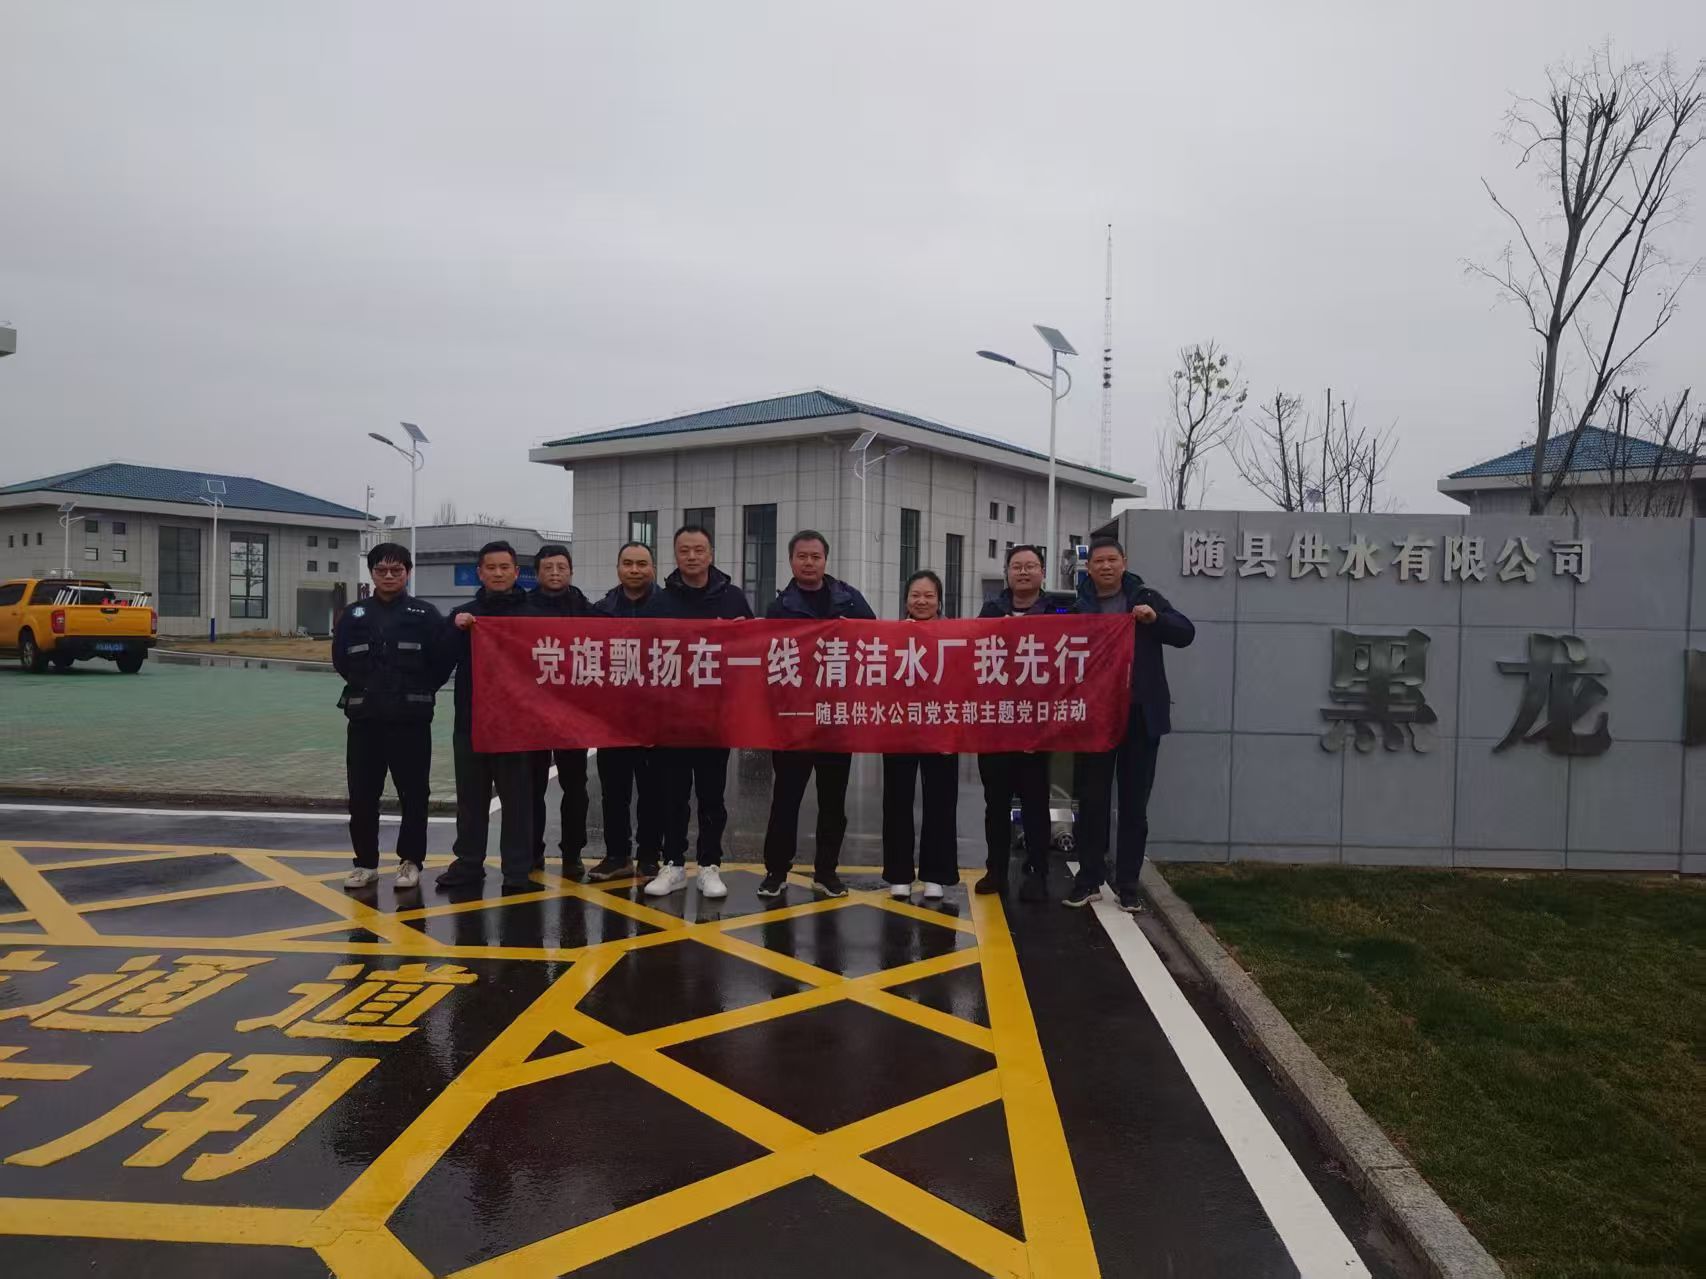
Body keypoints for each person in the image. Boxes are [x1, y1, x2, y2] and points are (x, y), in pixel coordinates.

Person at [1066, 535, 1195, 912]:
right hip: (1095, 717)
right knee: (1092, 801)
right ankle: (1089, 878)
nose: (1106, 566)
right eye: (1099, 561)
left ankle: (1127, 884)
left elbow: (1185, 632)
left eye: (1112, 560)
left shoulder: (1146, 598)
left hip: (1140, 716)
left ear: (1124, 562)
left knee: (1134, 804)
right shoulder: (1078, 607)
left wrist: (1155, 621)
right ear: (1089, 568)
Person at [758, 530, 876, 900]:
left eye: (815, 557)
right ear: (791, 560)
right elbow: (766, 662)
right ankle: (776, 871)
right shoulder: (780, 608)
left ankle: (826, 871)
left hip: (835, 718)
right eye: (802, 556)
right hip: (793, 720)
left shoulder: (849, 600)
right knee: (786, 799)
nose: (809, 563)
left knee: (833, 802)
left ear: (826, 560)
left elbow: (875, 641)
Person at [641, 523, 754, 900]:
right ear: (675, 555)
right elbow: (642, 656)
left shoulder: (733, 599)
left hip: (715, 718)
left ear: (711, 554)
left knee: (711, 797)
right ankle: (673, 864)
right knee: (672, 796)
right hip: (671, 717)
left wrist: (740, 635)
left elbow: (752, 653)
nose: (691, 556)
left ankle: (709, 865)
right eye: (684, 550)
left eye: (698, 550)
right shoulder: (659, 602)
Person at [333, 542, 447, 891]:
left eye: (396, 570)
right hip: (365, 721)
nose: (388, 576)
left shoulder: (425, 615)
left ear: (407, 573)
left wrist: (413, 691)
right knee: (362, 796)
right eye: (381, 570)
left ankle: (410, 861)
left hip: (411, 721)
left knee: (414, 795)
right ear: (372, 573)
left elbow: (440, 664)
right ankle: (365, 864)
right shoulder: (354, 615)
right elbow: (341, 660)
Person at [437, 540, 537, 892]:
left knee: (517, 801)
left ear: (516, 571)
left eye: (504, 567)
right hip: (471, 721)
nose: (498, 573)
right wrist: (454, 630)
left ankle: (517, 871)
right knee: (471, 799)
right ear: (480, 572)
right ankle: (468, 863)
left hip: (517, 726)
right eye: (491, 568)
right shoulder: (464, 615)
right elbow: (440, 664)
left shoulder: (534, 615)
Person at [975, 545, 1056, 902]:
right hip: (996, 724)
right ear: (1007, 573)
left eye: (1030, 566)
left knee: (1035, 803)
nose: (1023, 572)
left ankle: (1037, 870)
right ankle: (995, 868)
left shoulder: (1058, 612)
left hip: (1037, 726)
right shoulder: (990, 611)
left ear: (1042, 572)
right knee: (995, 803)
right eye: (1017, 566)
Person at [587, 541, 664, 883]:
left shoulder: (669, 609)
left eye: (642, 564)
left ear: (653, 568)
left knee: (653, 793)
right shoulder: (601, 611)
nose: (635, 570)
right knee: (613, 793)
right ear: (618, 568)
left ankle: (649, 856)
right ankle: (617, 856)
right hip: (613, 719)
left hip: (656, 718)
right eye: (628, 563)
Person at [882, 570, 958, 900]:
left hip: (942, 727)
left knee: (940, 801)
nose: (922, 601)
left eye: (929, 595)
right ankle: (898, 874)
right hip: (900, 727)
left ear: (939, 601)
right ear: (906, 601)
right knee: (897, 801)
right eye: (915, 595)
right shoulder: (891, 637)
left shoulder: (955, 636)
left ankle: (935, 874)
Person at [524, 543, 595, 880]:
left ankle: (572, 852)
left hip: (572, 713)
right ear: (537, 573)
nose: (555, 573)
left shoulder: (587, 610)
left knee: (575, 787)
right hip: (532, 712)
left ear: (571, 571)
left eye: (561, 567)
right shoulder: (520, 610)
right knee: (532, 786)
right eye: (548, 568)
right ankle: (532, 850)